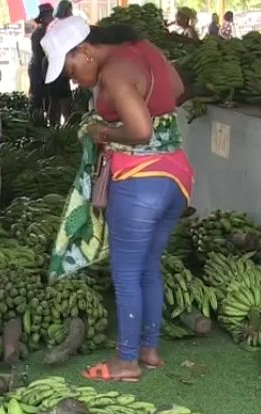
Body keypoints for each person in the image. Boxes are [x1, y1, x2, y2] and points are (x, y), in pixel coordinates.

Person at [41, 16, 192, 382]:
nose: (72, 79)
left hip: (140, 181)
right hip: (176, 177)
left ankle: (127, 362)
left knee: (126, 274)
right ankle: (149, 350)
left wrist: (101, 131)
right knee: (149, 267)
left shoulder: (114, 72)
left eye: (71, 68)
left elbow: (140, 130)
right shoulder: (143, 49)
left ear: (86, 51)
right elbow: (176, 89)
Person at [45, 0, 74, 126]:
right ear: (65, 11)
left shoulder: (54, 24)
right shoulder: (61, 26)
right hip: (57, 63)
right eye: (70, 11)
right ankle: (65, 126)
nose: (71, 13)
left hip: (52, 62)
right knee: (62, 97)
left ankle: (54, 126)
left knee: (55, 98)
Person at [29, 3, 54, 125]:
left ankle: (49, 124)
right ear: (43, 18)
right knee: (38, 98)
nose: (50, 18)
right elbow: (38, 55)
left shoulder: (53, 31)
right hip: (38, 69)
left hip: (50, 68)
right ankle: (37, 123)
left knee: (50, 98)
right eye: (47, 16)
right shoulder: (38, 34)